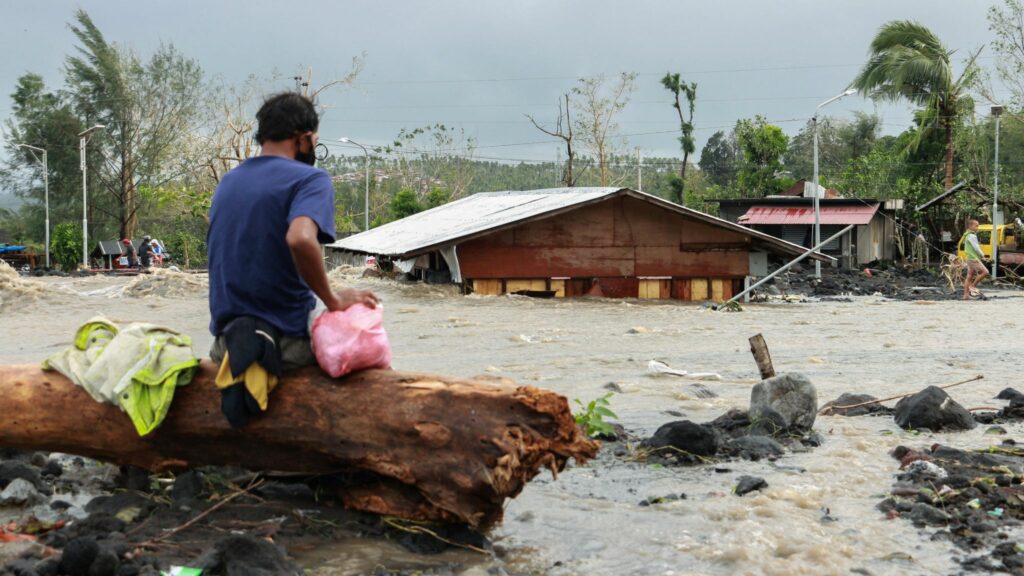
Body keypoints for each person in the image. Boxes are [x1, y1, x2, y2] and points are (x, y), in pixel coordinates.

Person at [207, 92, 378, 371]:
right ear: (304, 138)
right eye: (315, 140)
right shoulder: (310, 179)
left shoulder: (228, 181)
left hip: (225, 345)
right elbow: (299, 239)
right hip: (284, 343)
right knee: (367, 346)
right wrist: (333, 300)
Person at [962, 219, 989, 300]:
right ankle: (973, 286)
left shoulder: (966, 235)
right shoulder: (972, 235)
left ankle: (966, 295)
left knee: (969, 276)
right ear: (970, 226)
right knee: (985, 272)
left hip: (969, 258)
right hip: (973, 258)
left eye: (978, 225)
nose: (978, 227)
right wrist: (983, 255)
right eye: (976, 225)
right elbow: (976, 248)